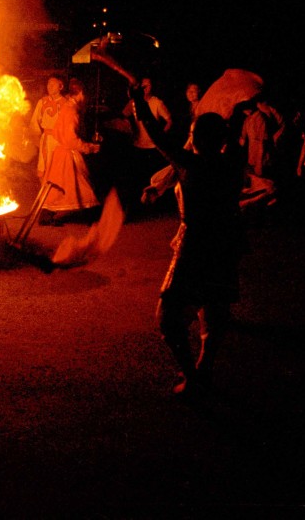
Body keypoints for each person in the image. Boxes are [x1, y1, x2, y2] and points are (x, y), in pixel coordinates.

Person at [131, 85, 246, 398]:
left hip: (196, 243)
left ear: (196, 138)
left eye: (193, 132)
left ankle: (195, 375)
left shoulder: (191, 164)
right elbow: (231, 138)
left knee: (168, 318)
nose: (190, 136)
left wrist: (140, 104)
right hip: (224, 241)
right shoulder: (233, 160)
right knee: (214, 306)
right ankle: (204, 370)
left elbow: (157, 136)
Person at [41, 79, 101, 222]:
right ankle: (92, 215)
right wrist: (90, 147)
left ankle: (47, 215)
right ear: (80, 93)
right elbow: (70, 139)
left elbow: (57, 132)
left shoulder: (66, 108)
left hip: (61, 154)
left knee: (57, 189)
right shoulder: (71, 111)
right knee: (82, 186)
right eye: (85, 95)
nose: (86, 98)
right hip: (68, 155)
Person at [28, 74, 67, 182]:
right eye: (48, 84)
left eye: (53, 84)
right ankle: (45, 197)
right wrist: (37, 141)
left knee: (59, 173)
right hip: (46, 141)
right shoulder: (42, 102)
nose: (50, 86)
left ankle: (58, 198)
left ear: (61, 86)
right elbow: (34, 123)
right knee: (43, 171)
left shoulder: (66, 104)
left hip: (60, 142)